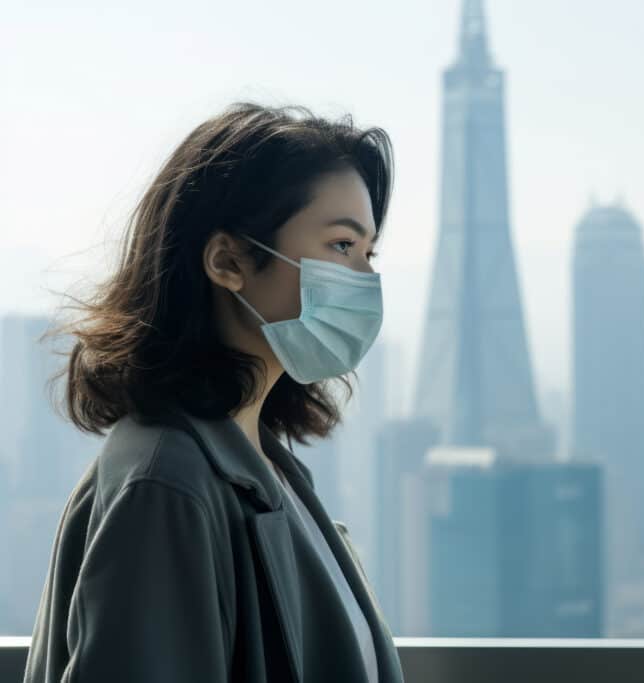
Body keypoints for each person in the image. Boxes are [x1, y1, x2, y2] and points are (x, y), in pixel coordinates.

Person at [22, 102, 403, 683]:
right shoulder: (165, 483)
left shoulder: (261, 462)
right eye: (342, 247)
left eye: (369, 252)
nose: (365, 280)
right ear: (228, 261)